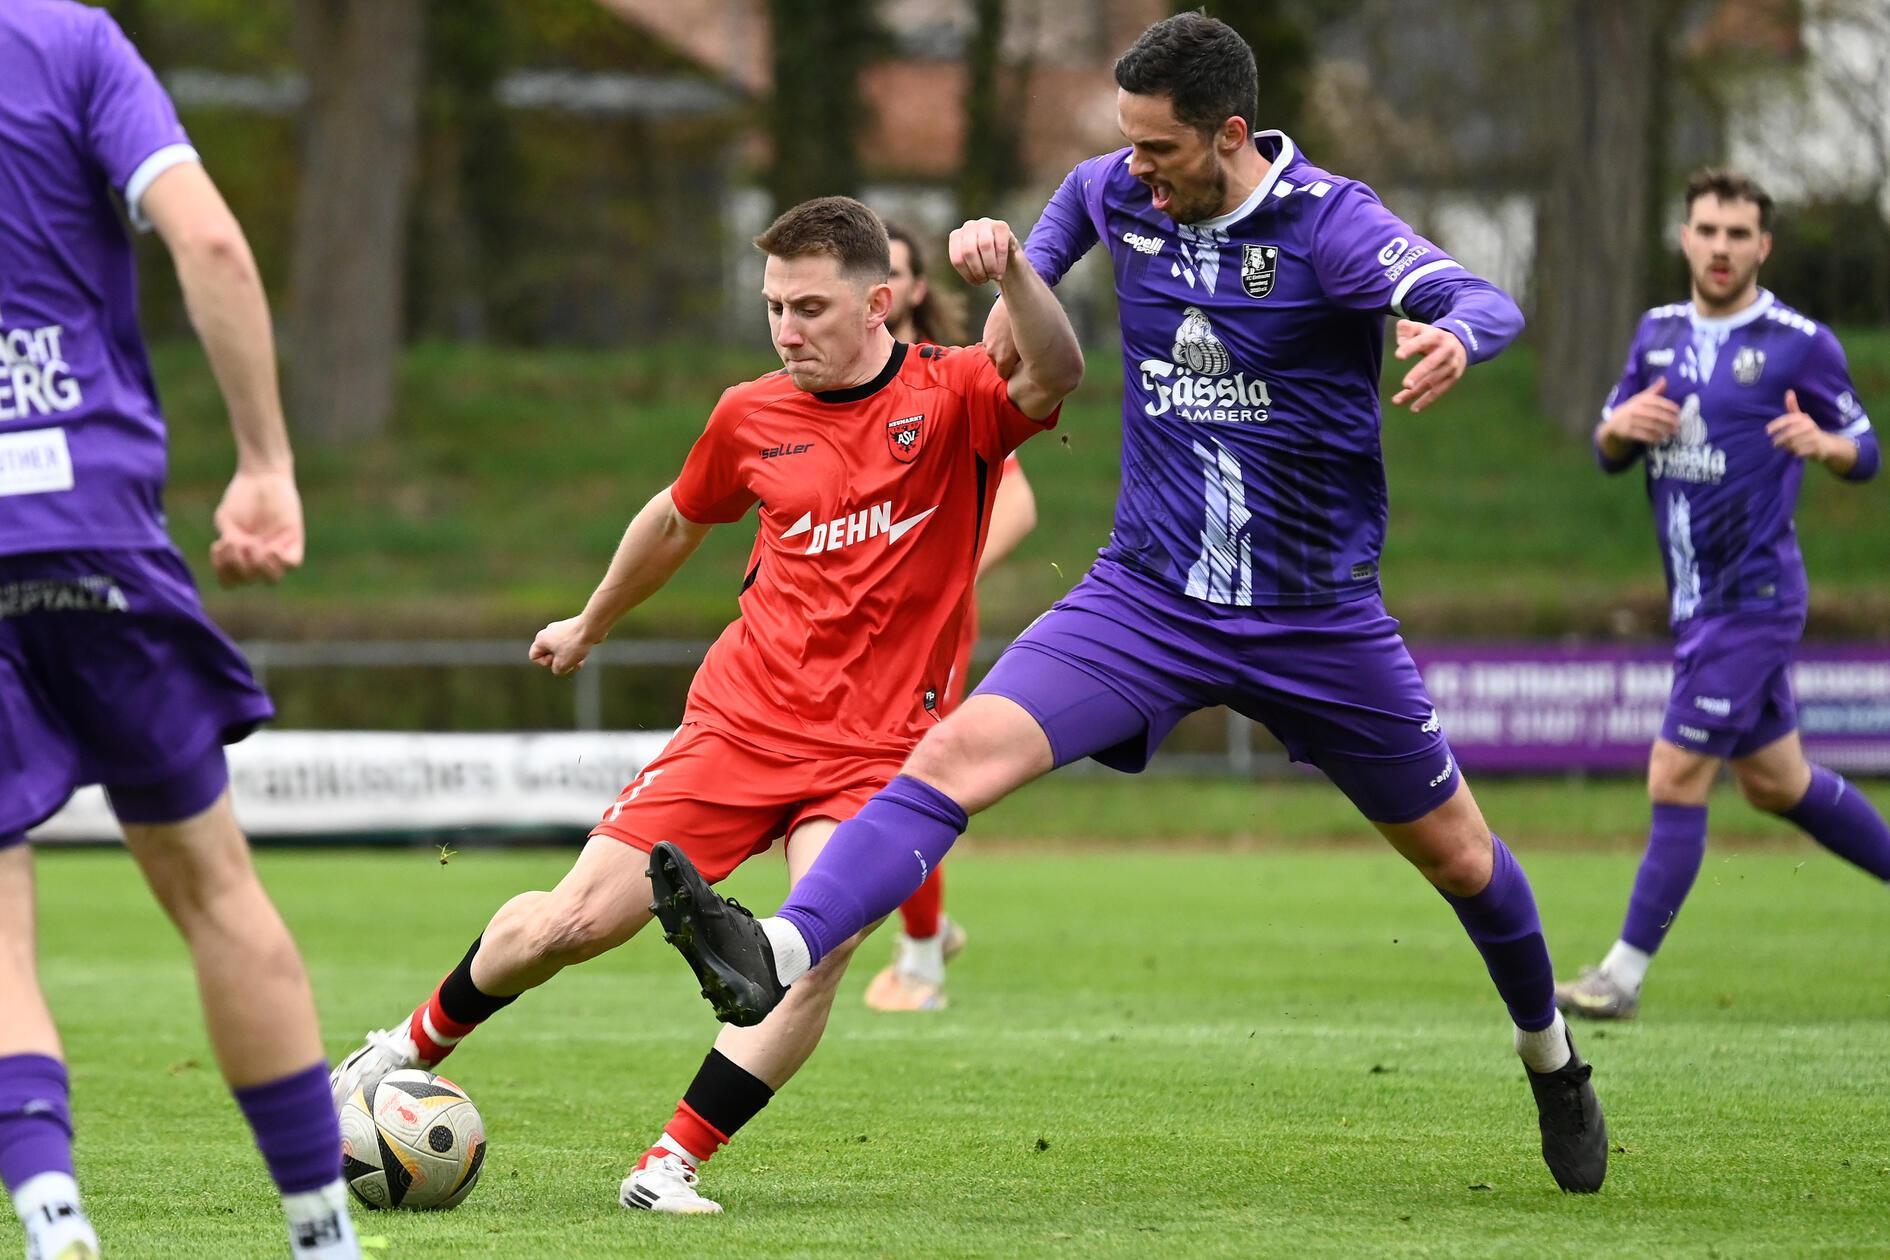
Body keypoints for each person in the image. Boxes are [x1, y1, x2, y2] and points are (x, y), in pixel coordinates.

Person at [651, 12, 1609, 1194]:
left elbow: (1487, 300)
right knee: (954, 754)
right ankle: (778, 945)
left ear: (1231, 134)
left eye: (1159, 150)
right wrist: (1004, 276)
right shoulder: (1111, 191)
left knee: (1462, 859)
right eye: (1128, 146)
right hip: (1147, 598)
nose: (1135, 171)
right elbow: (1027, 312)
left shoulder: (1333, 224)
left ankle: (1551, 1059)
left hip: (1312, 614)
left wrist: (1456, 335)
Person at [327, 196, 1082, 1214]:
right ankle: (401, 1048)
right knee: (571, 925)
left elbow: (1056, 372)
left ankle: (669, 1162)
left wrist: (1015, 277)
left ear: (880, 303)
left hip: (878, 753)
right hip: (739, 728)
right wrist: (593, 620)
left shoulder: (952, 397)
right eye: (773, 306)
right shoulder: (749, 415)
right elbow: (676, 520)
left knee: (818, 945)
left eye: (809, 307)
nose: (786, 329)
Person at [0, 4, 358, 1258]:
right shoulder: (72, 42)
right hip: (91, 523)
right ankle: (322, 1233)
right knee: (212, 887)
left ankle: (52, 1216)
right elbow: (208, 239)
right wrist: (264, 461)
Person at [1555, 170, 1886, 1021]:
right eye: (1708, 229)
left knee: (1674, 775)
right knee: (1777, 783)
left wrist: (1825, 444)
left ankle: (1619, 979)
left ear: (1762, 247)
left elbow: (1866, 447)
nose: (1721, 247)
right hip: (1696, 604)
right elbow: (1608, 446)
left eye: (1739, 234)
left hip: (1755, 599)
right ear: (1686, 237)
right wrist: (1617, 429)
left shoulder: (1797, 343)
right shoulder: (1657, 334)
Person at [865, 224, 1041, 1011]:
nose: (887, 286)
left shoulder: (948, 379)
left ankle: (922, 957)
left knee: (907, 765)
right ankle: (925, 930)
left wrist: (947, 572)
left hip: (926, 622)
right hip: (856, 616)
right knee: (873, 770)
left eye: (898, 271)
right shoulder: (830, 377)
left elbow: (1018, 500)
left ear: (911, 288)